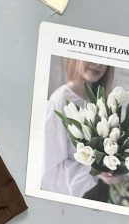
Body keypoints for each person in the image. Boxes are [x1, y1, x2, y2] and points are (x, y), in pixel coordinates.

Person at [41, 59, 124, 200]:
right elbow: (49, 175)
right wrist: (96, 171)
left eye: (103, 59)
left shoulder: (103, 100)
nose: (98, 64)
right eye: (93, 56)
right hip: (80, 197)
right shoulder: (59, 103)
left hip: (104, 194)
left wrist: (115, 168)